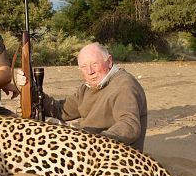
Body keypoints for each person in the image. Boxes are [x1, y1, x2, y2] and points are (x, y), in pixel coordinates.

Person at [17, 42, 147, 152]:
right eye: (84, 67)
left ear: (109, 61)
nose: (90, 71)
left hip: (112, 155)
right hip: (88, 146)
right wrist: (30, 90)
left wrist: (91, 142)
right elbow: (60, 110)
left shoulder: (124, 85)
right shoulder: (87, 88)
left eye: (95, 64)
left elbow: (130, 125)